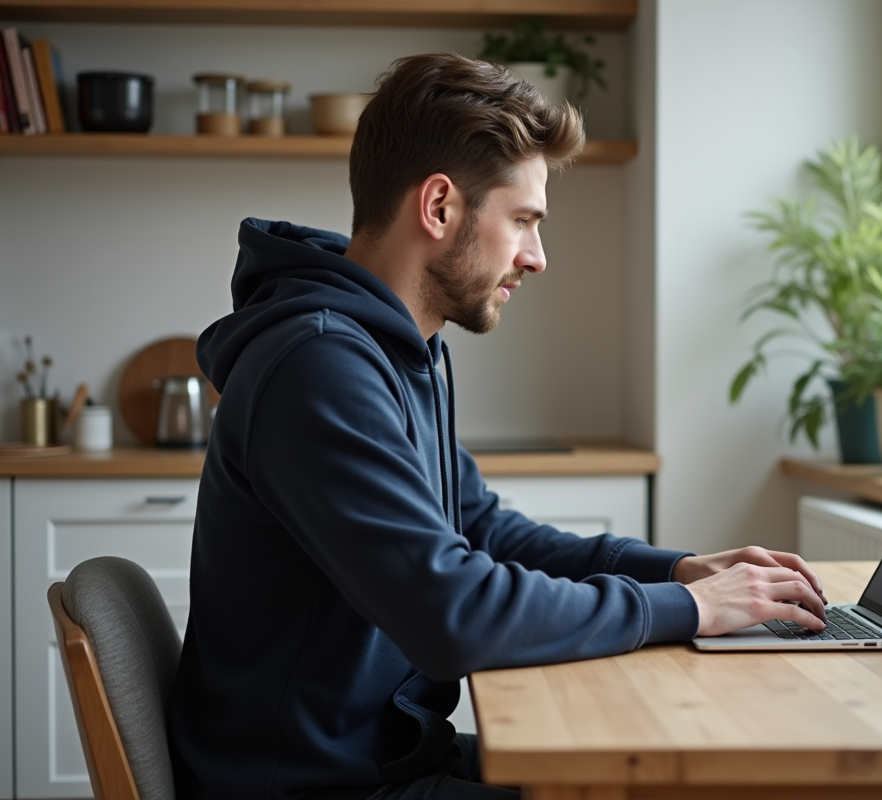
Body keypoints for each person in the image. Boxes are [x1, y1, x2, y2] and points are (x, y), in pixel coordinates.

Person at [168, 52, 828, 800]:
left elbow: (482, 531)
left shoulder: (394, 350)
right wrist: (693, 610)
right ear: (439, 207)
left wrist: (676, 572)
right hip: (317, 786)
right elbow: (452, 613)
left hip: (385, 759)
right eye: (522, 221)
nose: (536, 257)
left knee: (663, 772)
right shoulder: (316, 367)